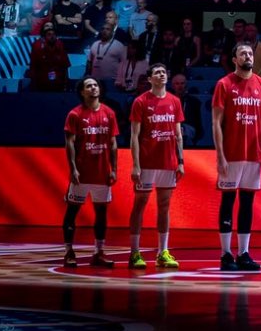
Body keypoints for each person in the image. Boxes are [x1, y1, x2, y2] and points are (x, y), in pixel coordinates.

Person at [212, 42, 261, 272]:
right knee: (228, 201)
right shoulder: (224, 84)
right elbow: (216, 122)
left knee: (248, 202)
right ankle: (226, 254)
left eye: (250, 52)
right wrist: (220, 155)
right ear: (234, 59)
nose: (247, 55)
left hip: (253, 155)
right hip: (231, 153)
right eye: (242, 53)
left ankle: (244, 253)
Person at [127, 64, 185, 270]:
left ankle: (163, 252)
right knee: (140, 204)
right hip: (147, 163)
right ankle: (134, 252)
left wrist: (180, 161)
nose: (162, 74)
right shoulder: (140, 102)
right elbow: (134, 135)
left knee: (164, 206)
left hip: (168, 163)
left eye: (163, 72)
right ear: (150, 79)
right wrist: (135, 165)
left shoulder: (175, 101)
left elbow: (178, 135)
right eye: (157, 73)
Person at [61, 77, 119, 268]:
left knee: (101, 213)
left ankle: (98, 252)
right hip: (82, 173)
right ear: (82, 92)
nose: (93, 87)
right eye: (89, 86)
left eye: (95, 84)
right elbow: (69, 143)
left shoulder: (109, 113)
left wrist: (114, 169)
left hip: (102, 173)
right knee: (72, 212)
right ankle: (69, 251)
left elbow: (112, 144)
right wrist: (73, 169)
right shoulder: (74, 115)